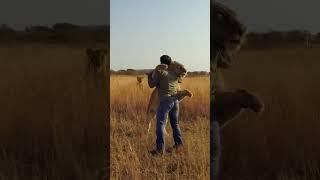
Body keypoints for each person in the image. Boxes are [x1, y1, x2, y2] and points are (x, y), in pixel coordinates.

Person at [147, 55, 184, 155]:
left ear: (161, 62)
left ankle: (159, 150)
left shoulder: (160, 72)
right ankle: (179, 145)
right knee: (175, 124)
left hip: (166, 101)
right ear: (170, 62)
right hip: (175, 101)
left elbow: (151, 85)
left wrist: (149, 75)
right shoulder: (175, 73)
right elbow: (182, 75)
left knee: (160, 124)